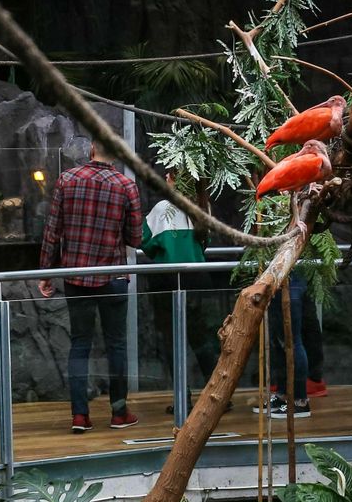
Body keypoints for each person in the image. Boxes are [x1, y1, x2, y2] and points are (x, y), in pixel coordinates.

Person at [38, 139, 142, 433]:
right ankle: (119, 413)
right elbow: (135, 238)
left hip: (77, 276)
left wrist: (46, 271)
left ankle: (80, 416)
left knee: (80, 344)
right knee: (116, 345)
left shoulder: (67, 180)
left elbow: (52, 231)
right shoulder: (126, 186)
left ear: (91, 150)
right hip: (113, 276)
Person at [140, 183, 229, 414]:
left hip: (168, 279)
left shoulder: (163, 207)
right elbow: (206, 242)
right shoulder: (202, 206)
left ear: (174, 179)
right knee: (203, 341)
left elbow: (146, 242)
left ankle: (183, 399)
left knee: (172, 342)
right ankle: (219, 395)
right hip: (198, 278)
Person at [254, 273, 313, 418]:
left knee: (293, 342)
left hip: (290, 283)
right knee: (279, 342)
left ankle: (300, 400)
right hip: (276, 284)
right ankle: (283, 395)